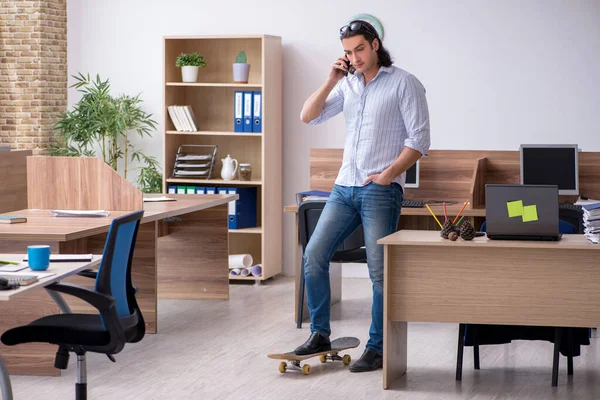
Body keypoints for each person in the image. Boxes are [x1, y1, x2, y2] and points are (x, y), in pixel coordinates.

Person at [295, 19, 431, 372]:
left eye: (359, 49)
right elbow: (307, 116)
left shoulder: (404, 83)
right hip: (344, 187)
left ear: (374, 45)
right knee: (313, 256)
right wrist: (331, 79)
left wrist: (387, 176)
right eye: (347, 52)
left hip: (379, 191)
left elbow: (419, 140)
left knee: (379, 272)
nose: (354, 57)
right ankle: (320, 334)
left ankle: (378, 347)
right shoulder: (348, 85)